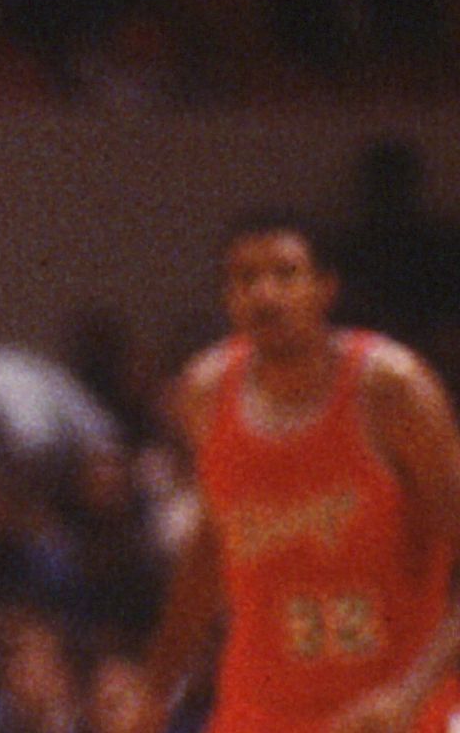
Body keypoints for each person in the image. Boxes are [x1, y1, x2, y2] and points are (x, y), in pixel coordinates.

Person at [140, 213, 460, 733]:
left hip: (392, 707)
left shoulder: (390, 389)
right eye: (246, 279)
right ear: (227, 299)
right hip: (262, 707)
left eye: (286, 275)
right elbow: (210, 550)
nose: (265, 294)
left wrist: (411, 694)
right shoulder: (204, 393)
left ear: (324, 289)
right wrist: (154, 691)